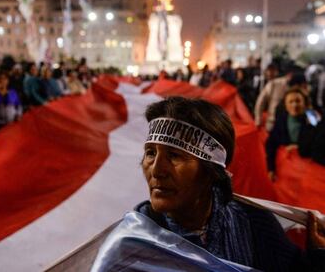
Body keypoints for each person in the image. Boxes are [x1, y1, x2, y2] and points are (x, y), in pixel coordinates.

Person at [95, 96, 325, 271]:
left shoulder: (254, 224)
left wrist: (318, 254)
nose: (156, 169)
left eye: (174, 156)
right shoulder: (128, 249)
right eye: (150, 153)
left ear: (212, 172)